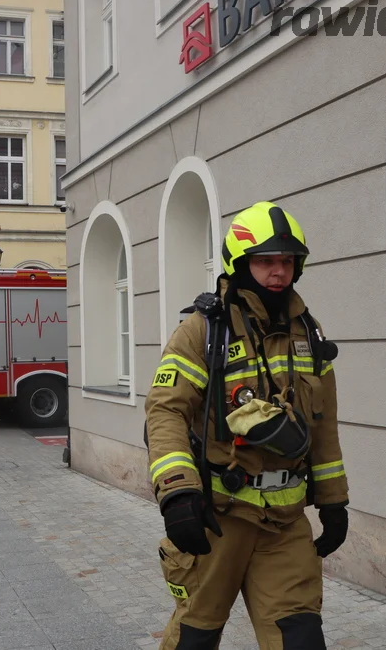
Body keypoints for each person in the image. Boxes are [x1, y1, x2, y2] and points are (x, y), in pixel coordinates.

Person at [145, 201, 349, 649]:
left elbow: (324, 423)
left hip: (285, 524)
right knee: (194, 639)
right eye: (265, 261)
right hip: (218, 520)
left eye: (286, 261)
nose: (278, 271)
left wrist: (333, 500)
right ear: (239, 264)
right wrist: (178, 492)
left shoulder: (308, 333)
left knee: (300, 641)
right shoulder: (202, 332)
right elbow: (165, 412)